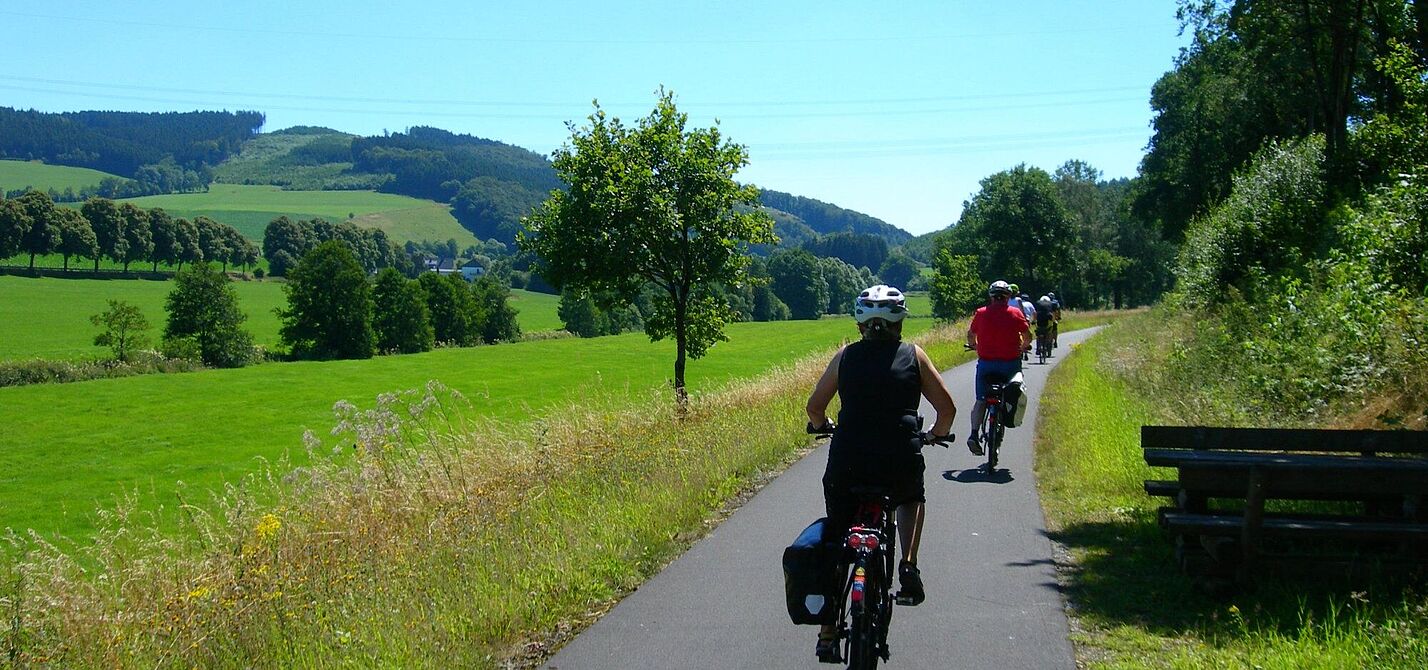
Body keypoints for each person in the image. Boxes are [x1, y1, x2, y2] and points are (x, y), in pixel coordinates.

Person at [806, 284, 956, 660]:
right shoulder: (913, 355)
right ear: (899, 323)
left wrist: (822, 424)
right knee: (910, 497)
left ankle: (827, 630)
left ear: (860, 324)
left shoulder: (845, 357)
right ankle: (908, 565)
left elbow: (814, 407)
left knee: (838, 532)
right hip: (898, 457)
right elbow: (947, 410)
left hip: (849, 459)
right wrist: (936, 435)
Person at [965, 280, 1031, 454]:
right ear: (1008, 296)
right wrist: (1024, 346)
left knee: (980, 400)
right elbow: (1027, 336)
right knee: (1015, 392)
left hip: (986, 364)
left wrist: (973, 345)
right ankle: (1010, 416)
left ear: (991, 296)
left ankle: (973, 434)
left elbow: (971, 334)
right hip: (1010, 364)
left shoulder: (981, 313)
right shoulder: (1015, 313)